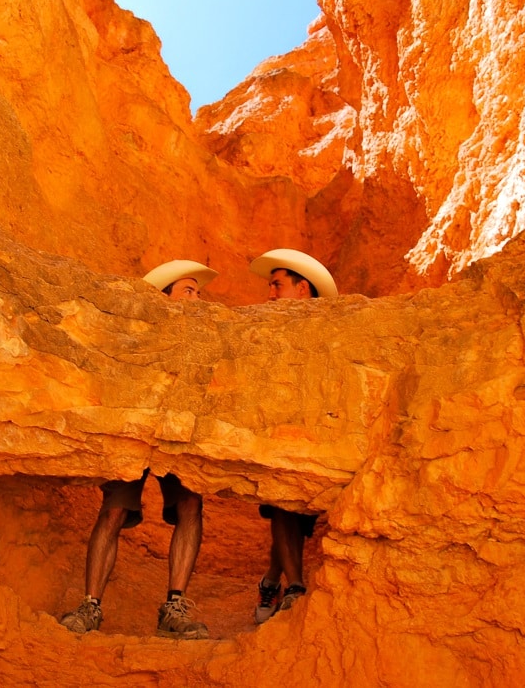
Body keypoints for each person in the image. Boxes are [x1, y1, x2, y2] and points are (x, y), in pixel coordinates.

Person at [59, 259, 216, 640]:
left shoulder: (205, 339)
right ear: (164, 298)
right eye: (188, 291)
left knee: (190, 505)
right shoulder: (139, 332)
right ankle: (90, 605)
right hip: (134, 430)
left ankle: (174, 607)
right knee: (112, 512)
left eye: (198, 292)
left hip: (177, 435)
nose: (198, 299)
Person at [246, 248, 338, 624]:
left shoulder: (334, 329)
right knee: (283, 506)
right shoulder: (264, 329)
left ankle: (271, 579)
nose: (270, 293)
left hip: (318, 437)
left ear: (303, 290)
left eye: (277, 285)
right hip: (278, 434)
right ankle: (295, 586)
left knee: (298, 519)